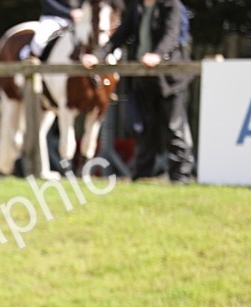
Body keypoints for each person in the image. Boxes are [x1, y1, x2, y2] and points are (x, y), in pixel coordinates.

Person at [82, 0, 195, 184]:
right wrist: (98, 56)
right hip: (145, 79)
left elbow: (171, 35)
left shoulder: (170, 5)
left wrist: (157, 55)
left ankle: (180, 178)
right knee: (145, 129)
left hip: (171, 79)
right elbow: (120, 35)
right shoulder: (137, 7)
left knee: (174, 129)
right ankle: (143, 176)